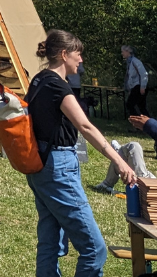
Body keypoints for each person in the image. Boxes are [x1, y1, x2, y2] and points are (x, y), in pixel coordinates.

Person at [26, 30, 136, 277]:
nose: (81, 59)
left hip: (40, 167)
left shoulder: (38, 80)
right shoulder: (57, 85)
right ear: (64, 55)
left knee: (49, 243)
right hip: (58, 169)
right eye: (78, 54)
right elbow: (85, 126)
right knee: (95, 250)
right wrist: (118, 160)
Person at [123, 45, 148, 116]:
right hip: (135, 87)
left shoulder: (135, 61)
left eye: (123, 51)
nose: (122, 53)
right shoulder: (130, 62)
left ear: (128, 52)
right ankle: (148, 124)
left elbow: (144, 74)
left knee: (130, 105)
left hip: (139, 86)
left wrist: (143, 87)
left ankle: (139, 123)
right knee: (141, 107)